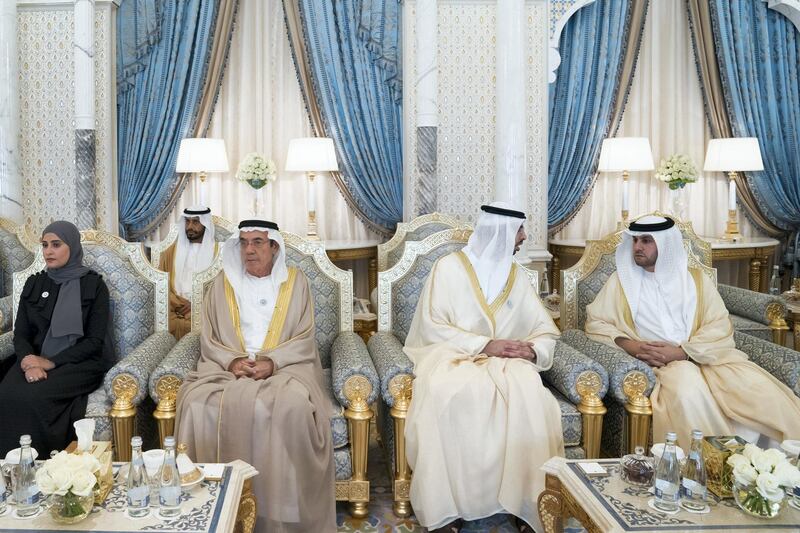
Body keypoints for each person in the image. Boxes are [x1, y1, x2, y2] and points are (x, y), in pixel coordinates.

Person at [403, 202, 564, 533]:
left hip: (507, 363)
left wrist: (532, 351)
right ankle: (449, 508)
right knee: (448, 392)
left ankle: (526, 503)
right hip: (454, 357)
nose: (524, 237)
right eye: (520, 230)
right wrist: (484, 345)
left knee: (530, 393)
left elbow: (543, 329)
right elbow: (434, 326)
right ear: (502, 232)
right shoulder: (448, 269)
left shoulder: (516, 274)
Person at [174, 220, 335, 533]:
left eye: (258, 242)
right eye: (244, 243)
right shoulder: (222, 284)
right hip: (229, 367)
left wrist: (272, 362)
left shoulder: (295, 281)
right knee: (195, 402)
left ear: (274, 247)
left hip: (287, 367)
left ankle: (280, 509)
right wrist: (233, 361)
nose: (250, 249)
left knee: (293, 408)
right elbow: (209, 338)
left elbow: (304, 337)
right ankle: (208, 506)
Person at [585, 215, 800, 448]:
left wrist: (683, 352)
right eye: (635, 241)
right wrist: (632, 346)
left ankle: (774, 469)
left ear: (665, 244)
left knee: (762, 393)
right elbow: (596, 323)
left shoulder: (696, 281)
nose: (637, 247)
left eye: (646, 241)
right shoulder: (621, 282)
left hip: (709, 358)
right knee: (688, 393)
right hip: (663, 366)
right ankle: (718, 466)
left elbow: (719, 325)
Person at [0, 221, 112, 455]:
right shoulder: (34, 283)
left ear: (71, 246)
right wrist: (29, 361)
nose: (48, 251)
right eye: (44, 245)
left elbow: (94, 342)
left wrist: (49, 363)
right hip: (33, 359)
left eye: (56, 244)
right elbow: (21, 333)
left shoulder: (94, 285)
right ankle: (12, 470)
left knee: (34, 397)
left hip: (79, 363)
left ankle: (42, 466)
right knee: (7, 393)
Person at [158, 207, 217, 339]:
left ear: (205, 224)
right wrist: (177, 303)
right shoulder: (169, 253)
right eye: (187, 221)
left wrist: (197, 303)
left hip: (206, 312)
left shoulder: (218, 254)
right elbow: (161, 286)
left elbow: (223, 289)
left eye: (195, 222)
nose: (190, 226)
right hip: (174, 311)